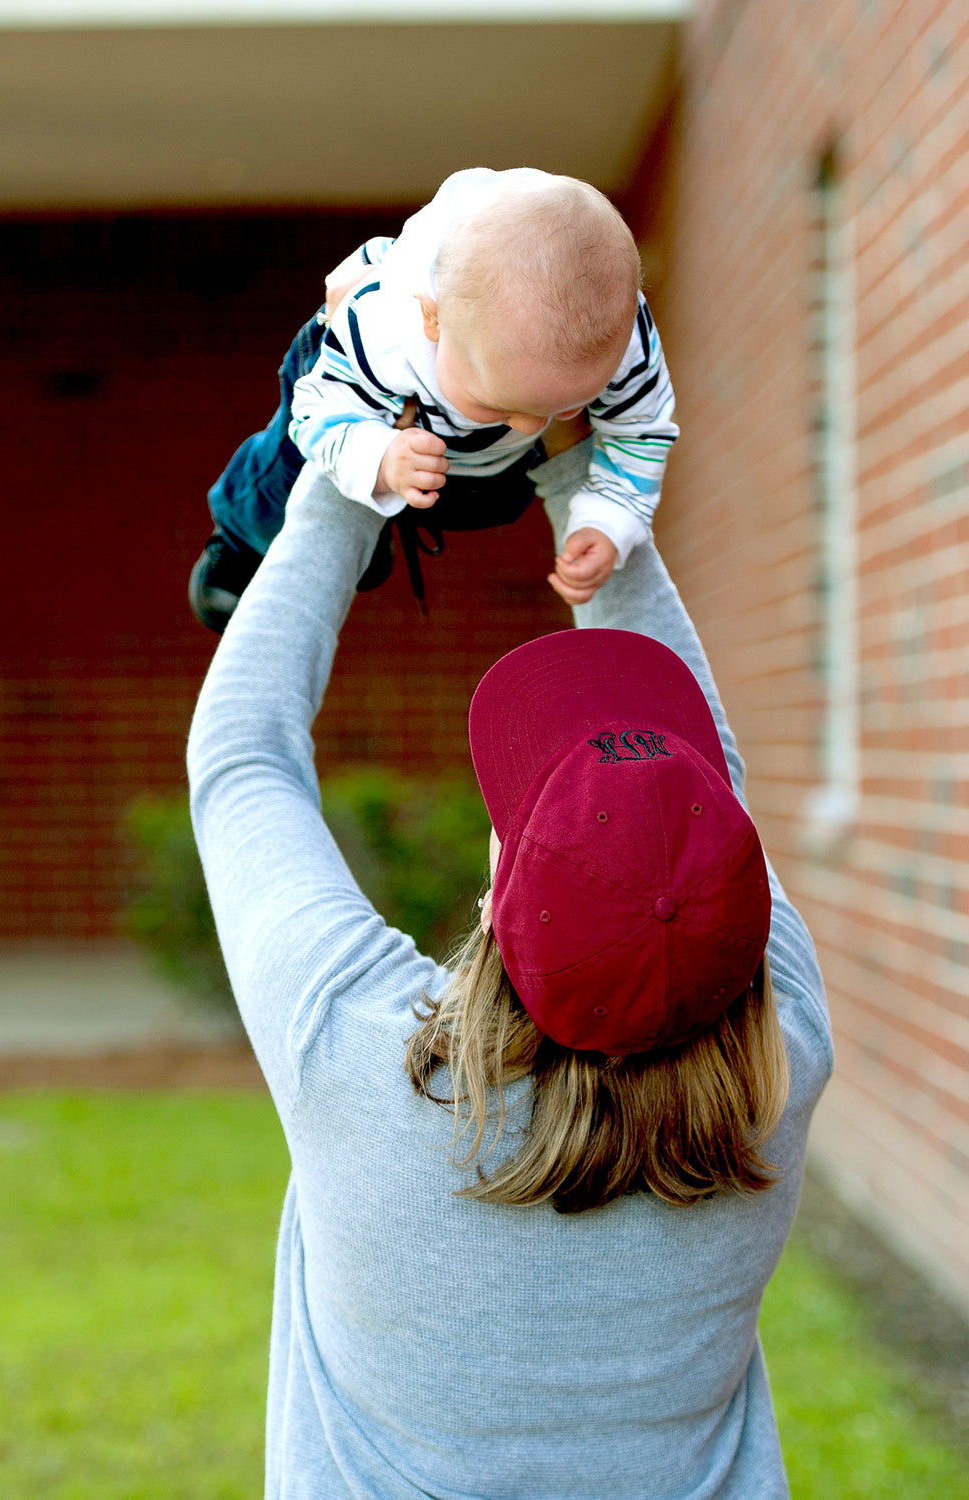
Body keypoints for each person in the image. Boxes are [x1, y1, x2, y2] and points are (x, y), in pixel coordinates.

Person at [187, 420, 833, 1498]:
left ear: (500, 894)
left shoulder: (354, 1058)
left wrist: (359, 450)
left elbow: (244, 755)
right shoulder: (782, 1070)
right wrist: (592, 477)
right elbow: (706, 785)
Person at [189, 168, 678, 630]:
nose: (533, 427)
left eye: (564, 408)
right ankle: (239, 543)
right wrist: (376, 457)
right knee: (291, 474)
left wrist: (613, 518)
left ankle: (385, 517)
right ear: (433, 320)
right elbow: (316, 415)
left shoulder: (615, 341)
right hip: (354, 393)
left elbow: (643, 427)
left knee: (496, 502)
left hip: (475, 457)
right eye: (500, 404)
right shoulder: (378, 329)